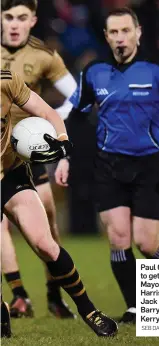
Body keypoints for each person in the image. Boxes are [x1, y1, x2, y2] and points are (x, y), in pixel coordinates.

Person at [56, 7, 159, 324]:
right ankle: (135, 308)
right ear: (106, 36)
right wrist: (66, 155)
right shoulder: (93, 72)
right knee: (118, 238)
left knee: (146, 243)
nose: (120, 38)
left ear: (138, 32)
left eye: (125, 31)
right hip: (108, 165)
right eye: (113, 32)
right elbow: (75, 115)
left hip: (151, 165)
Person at [1, 69, 118, 338]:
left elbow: (48, 112)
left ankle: (89, 310)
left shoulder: (6, 80)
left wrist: (62, 140)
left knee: (45, 243)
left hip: (10, 175)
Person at [1, 0, 77, 318]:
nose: (14, 24)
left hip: (28, 151)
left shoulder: (44, 55)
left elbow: (75, 93)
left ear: (32, 21)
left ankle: (54, 293)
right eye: (8, 17)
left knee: (46, 221)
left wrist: (51, 122)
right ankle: (19, 295)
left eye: (21, 18)